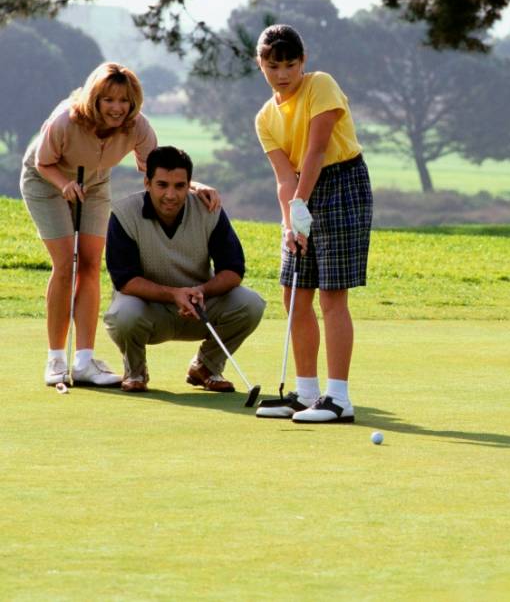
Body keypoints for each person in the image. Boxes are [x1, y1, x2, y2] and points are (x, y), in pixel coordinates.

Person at [21, 62, 221, 388]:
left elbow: (158, 170)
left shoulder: (137, 127)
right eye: (109, 100)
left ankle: (84, 361)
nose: (117, 108)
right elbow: (43, 163)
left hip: (95, 183)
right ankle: (56, 359)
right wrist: (64, 186)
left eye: (124, 100)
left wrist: (194, 186)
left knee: (89, 264)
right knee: (65, 265)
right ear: (95, 99)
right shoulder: (65, 121)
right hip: (46, 181)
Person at [250, 24, 373, 423]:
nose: (283, 74)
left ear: (303, 62)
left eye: (290, 64)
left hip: (342, 182)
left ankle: (338, 398)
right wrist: (290, 221)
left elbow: (318, 150)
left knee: (331, 295)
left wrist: (302, 200)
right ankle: (306, 394)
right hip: (302, 191)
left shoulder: (321, 85)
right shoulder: (265, 118)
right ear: (260, 64)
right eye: (274, 65)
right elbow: (284, 176)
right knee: (294, 294)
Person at [102, 146, 265, 393]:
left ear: (189, 185)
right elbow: (125, 280)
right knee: (124, 314)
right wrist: (173, 294)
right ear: (148, 183)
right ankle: (135, 371)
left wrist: (201, 290)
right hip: (148, 309)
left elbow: (233, 270)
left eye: (179, 186)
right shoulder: (125, 214)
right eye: (162, 185)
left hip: (200, 306)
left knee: (251, 303)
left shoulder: (209, 210)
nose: (171, 194)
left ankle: (206, 367)